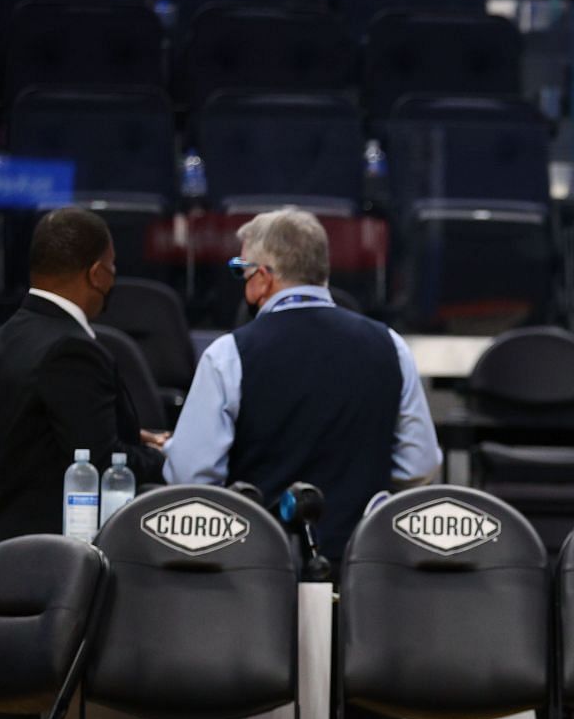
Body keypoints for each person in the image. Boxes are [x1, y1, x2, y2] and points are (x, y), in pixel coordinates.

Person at [161, 208, 440, 559]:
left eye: (241, 272)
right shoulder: (390, 345)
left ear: (263, 277)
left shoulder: (229, 354)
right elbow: (420, 464)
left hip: (259, 567)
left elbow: (190, 476)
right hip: (361, 563)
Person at [0, 207, 166, 551]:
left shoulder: (4, 337)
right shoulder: (72, 350)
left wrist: (132, 436)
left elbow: (40, 432)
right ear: (97, 274)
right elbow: (103, 466)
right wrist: (174, 458)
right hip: (53, 563)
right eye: (113, 265)